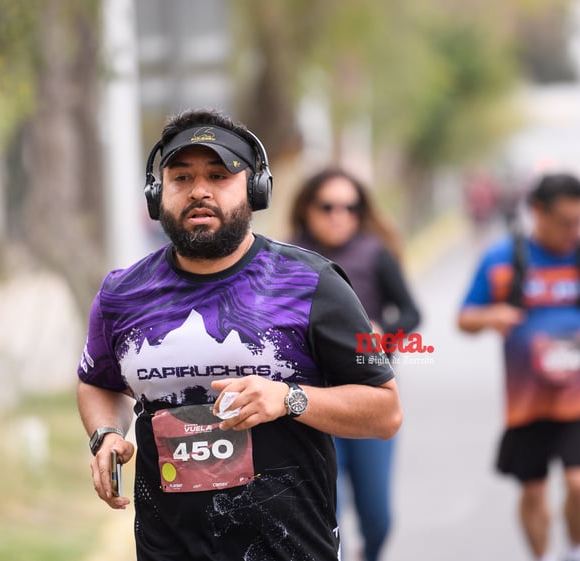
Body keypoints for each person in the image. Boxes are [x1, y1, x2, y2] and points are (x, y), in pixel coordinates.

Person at [76, 108, 402, 561]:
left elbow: (385, 410)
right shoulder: (122, 294)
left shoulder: (314, 283)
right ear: (157, 193)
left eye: (219, 174)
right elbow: (98, 381)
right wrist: (106, 434)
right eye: (181, 177)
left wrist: (288, 399)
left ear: (254, 189)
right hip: (167, 547)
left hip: (291, 548)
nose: (200, 191)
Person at [457, 173, 580, 561]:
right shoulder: (502, 258)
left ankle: (575, 552)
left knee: (579, 483)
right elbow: (464, 319)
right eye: (564, 222)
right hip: (527, 400)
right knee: (534, 491)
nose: (573, 231)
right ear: (537, 212)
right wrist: (493, 315)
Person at [289, 167, 420, 561]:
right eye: (327, 206)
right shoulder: (286, 259)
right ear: (307, 209)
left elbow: (412, 313)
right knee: (326, 516)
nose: (339, 215)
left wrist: (386, 332)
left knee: (378, 519)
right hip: (309, 404)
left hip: (367, 399)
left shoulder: (375, 254)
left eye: (351, 207)